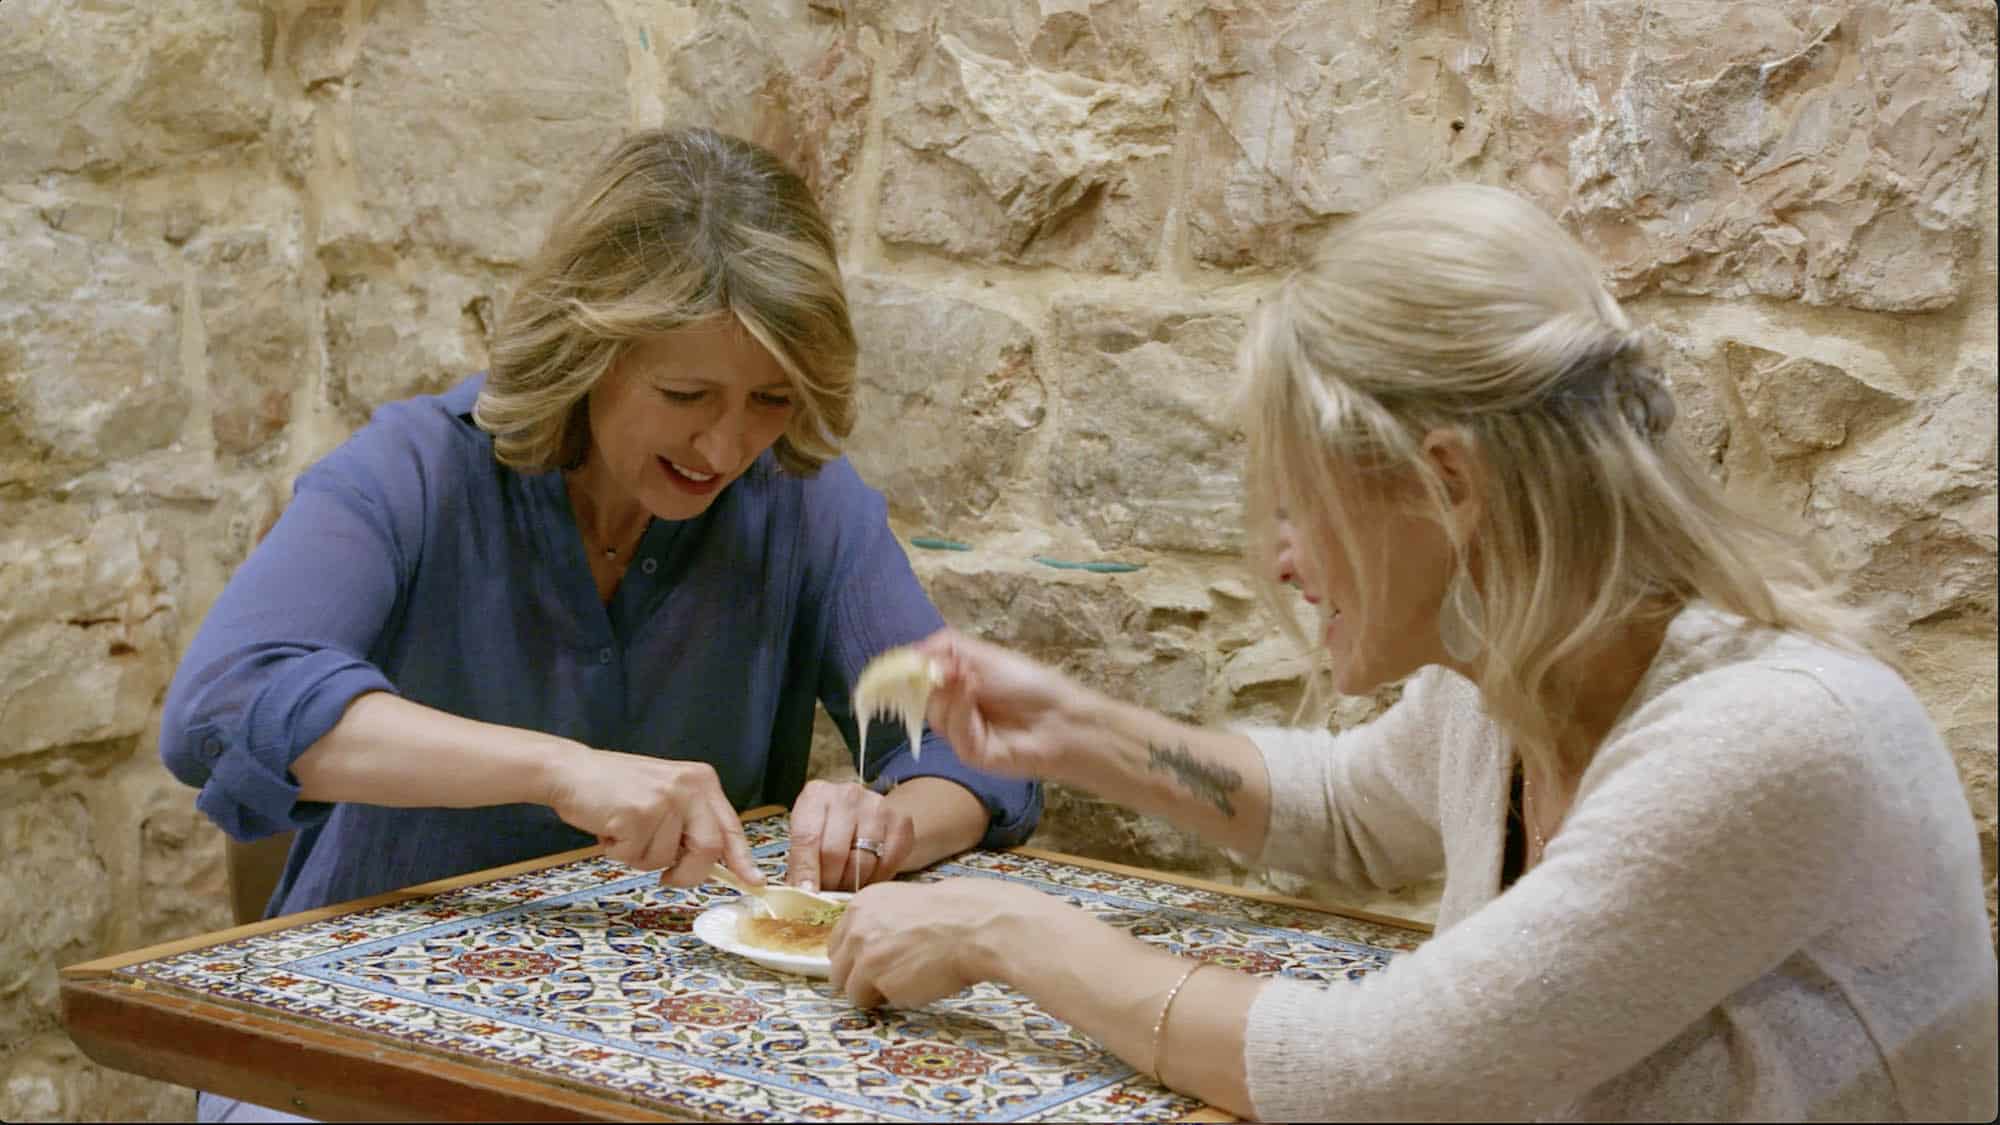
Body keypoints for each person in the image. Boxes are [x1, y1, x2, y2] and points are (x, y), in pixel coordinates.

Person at [824, 183, 1999, 1122]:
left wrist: (1003, 932)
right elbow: (1342, 810)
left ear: (1445, 486)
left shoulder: (1767, 735)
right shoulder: (1518, 673)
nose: (1283, 559)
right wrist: (1079, 732)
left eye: (1301, 502)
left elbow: (1377, 1079)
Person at [160, 127, 1040, 1123]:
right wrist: (561, 771)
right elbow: (221, 704)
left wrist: (890, 822)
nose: (726, 445)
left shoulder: (798, 499)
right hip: (354, 1044)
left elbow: (977, 749)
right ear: (590, 351)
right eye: (686, 394)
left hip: (669, 1052)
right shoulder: (418, 470)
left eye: (769, 399)